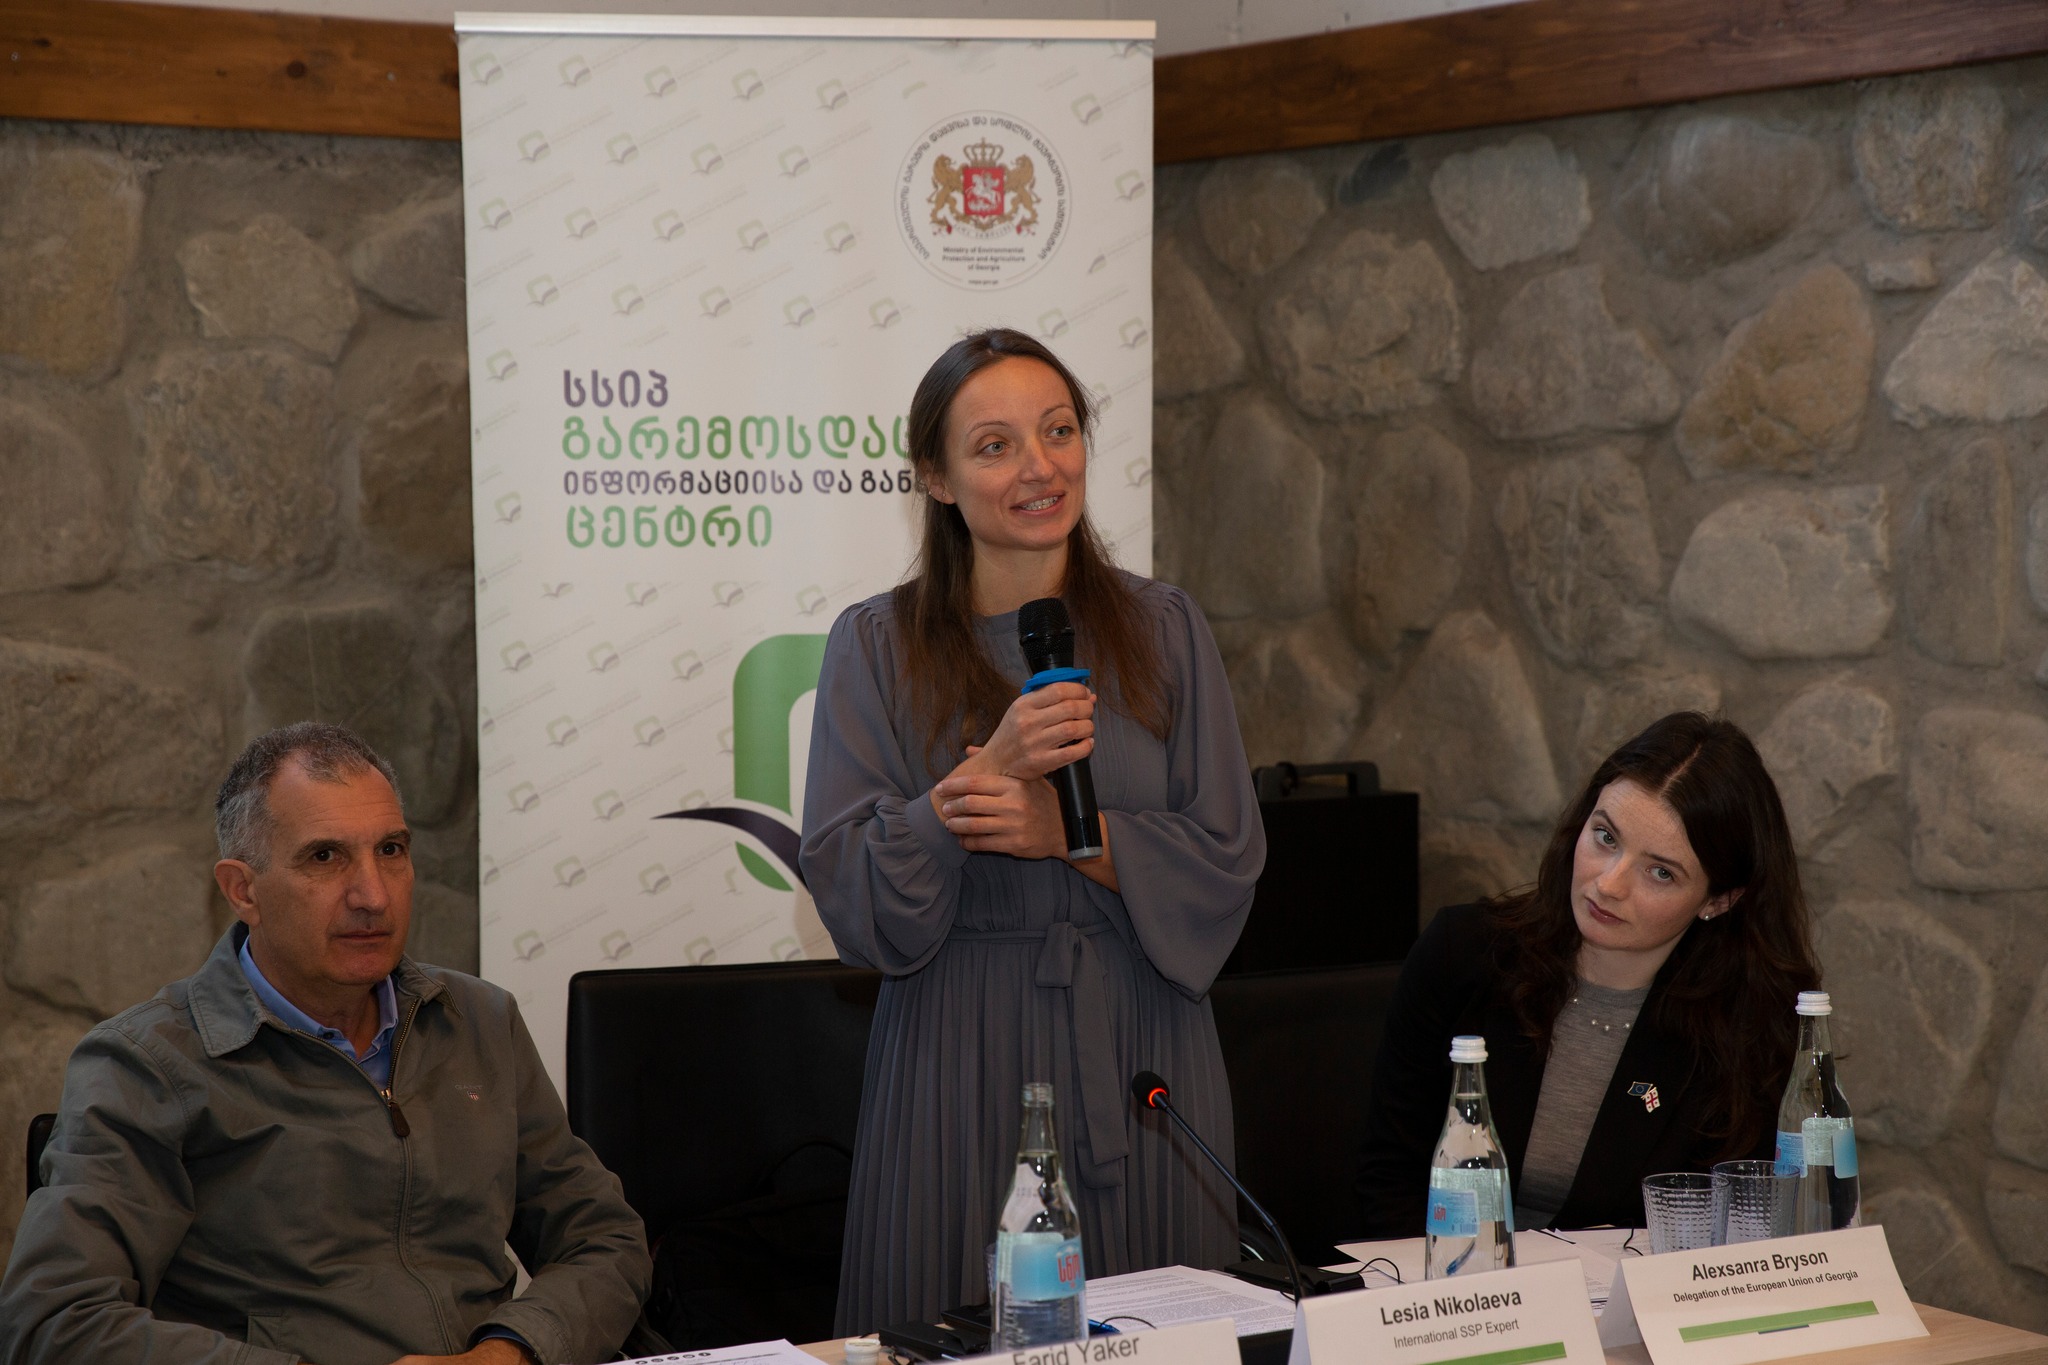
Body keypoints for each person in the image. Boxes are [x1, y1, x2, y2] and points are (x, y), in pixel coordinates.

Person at [799, 329, 1266, 1333]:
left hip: (1141, 1039)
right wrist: (982, 780)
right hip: (959, 1053)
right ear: (936, 477)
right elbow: (854, 895)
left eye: (1058, 431)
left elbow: (1227, 861)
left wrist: (1071, 833)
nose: (1039, 467)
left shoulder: (1166, 629)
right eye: (995, 445)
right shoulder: (874, 646)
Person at [0, 723, 652, 1365]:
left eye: (391, 850)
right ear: (243, 890)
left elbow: (605, 1239)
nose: (373, 895)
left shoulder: (480, 1020)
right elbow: (55, 1320)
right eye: (325, 857)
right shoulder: (147, 1063)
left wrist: (509, 1353)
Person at [1355, 711, 1822, 1235]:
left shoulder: (1753, 1023)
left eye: (1660, 872)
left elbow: (1742, 1230)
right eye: (1605, 837)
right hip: (1451, 1274)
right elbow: (1390, 1180)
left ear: (1719, 900)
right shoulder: (1463, 955)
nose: (1609, 884)